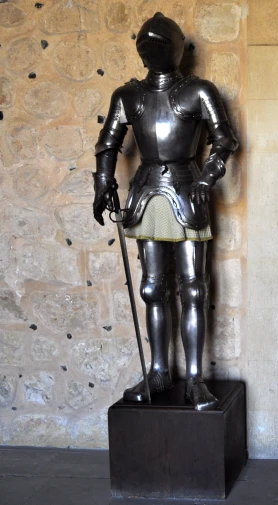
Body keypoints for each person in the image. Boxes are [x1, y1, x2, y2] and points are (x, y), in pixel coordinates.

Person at [92, 13, 239, 411]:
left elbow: (224, 140)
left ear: (176, 49)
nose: (153, 51)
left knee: (194, 288)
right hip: (144, 193)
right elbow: (109, 142)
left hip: (188, 187)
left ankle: (194, 379)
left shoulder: (199, 91)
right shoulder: (128, 95)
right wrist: (103, 181)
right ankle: (158, 370)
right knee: (153, 288)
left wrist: (207, 178)